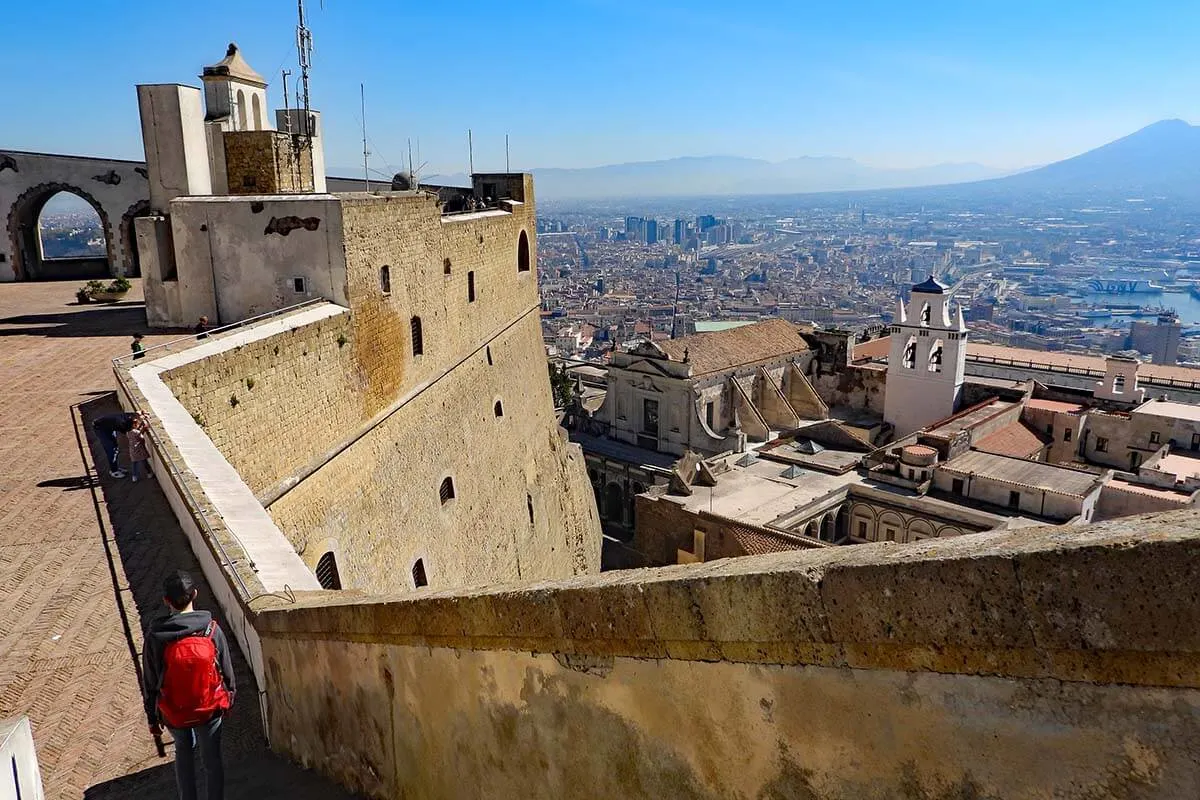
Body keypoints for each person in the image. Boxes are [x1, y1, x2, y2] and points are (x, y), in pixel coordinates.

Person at [143, 571, 236, 800]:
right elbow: (227, 670)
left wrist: (153, 719)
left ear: (166, 601)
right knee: (212, 760)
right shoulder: (211, 630)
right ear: (195, 594)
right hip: (209, 708)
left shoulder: (156, 636)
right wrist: (229, 698)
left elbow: (151, 681)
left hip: (174, 711)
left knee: (184, 753)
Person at [92, 411, 138, 478]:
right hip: (101, 428)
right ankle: (114, 471)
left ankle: (115, 468)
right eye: (134, 426)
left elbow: (135, 415)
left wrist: (140, 413)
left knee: (115, 447)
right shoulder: (121, 424)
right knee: (112, 450)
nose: (135, 427)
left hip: (107, 426)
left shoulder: (127, 417)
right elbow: (131, 434)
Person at [128, 415, 151, 483]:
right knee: (144, 462)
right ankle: (149, 473)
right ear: (134, 425)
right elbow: (140, 434)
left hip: (132, 450)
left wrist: (141, 427)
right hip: (139, 450)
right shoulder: (136, 432)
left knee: (134, 464)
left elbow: (138, 432)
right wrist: (144, 427)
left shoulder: (128, 432)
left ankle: (134, 476)